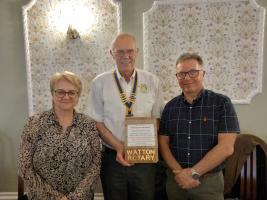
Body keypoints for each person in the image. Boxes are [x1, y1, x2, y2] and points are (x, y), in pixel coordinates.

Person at [85, 32, 164, 200]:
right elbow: (96, 121)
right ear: (111, 53)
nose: (125, 56)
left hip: (144, 160)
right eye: (120, 51)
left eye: (130, 51)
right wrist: (119, 146)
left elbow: (156, 119)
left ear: (137, 52)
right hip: (112, 157)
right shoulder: (100, 82)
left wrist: (139, 147)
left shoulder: (153, 81)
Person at [159, 52, 240, 200]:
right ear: (177, 77)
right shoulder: (169, 107)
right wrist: (180, 173)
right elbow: (163, 144)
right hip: (176, 181)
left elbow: (226, 147)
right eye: (181, 74)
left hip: (208, 183)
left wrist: (193, 173)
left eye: (193, 72)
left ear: (203, 73)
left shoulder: (222, 103)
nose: (187, 78)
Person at [18, 71, 101, 200]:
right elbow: (25, 165)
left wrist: (74, 197)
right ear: (52, 94)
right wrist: (55, 197)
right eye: (60, 92)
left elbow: (95, 165)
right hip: (41, 197)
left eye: (72, 92)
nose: (66, 96)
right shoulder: (34, 123)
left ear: (78, 95)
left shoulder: (88, 124)